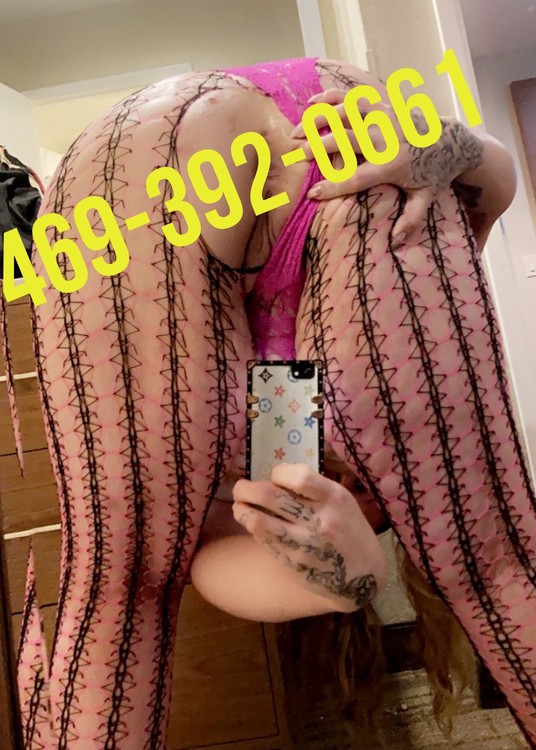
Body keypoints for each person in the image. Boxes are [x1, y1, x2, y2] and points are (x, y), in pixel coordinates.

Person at [13, 57, 534, 750]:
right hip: (335, 123)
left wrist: (343, 583)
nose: (362, 491)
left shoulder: (272, 447)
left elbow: (212, 569)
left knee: (122, 580)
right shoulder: (326, 421)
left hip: (160, 148)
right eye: (382, 506)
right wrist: (460, 145)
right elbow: (491, 193)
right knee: (488, 558)